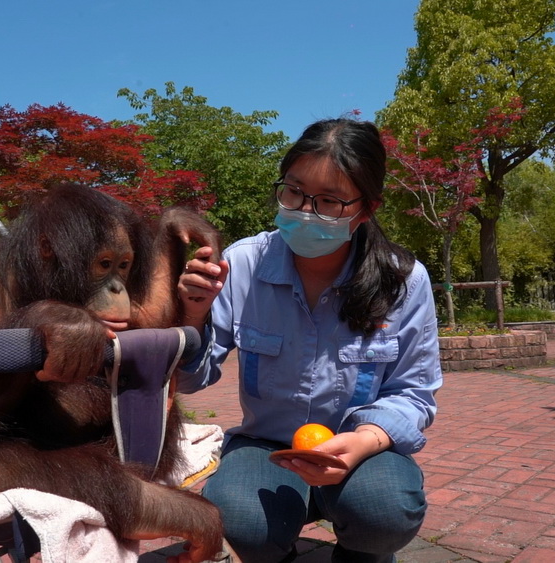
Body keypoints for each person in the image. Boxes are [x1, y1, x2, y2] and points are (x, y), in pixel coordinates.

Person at [174, 118, 443, 563]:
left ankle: (363, 554)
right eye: (294, 192)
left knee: (384, 510)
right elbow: (188, 380)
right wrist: (193, 314)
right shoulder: (242, 265)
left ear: (366, 209)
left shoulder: (403, 280)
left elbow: (415, 393)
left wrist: (364, 441)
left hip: (363, 450)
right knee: (237, 522)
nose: (304, 211)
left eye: (331, 201)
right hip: (268, 447)